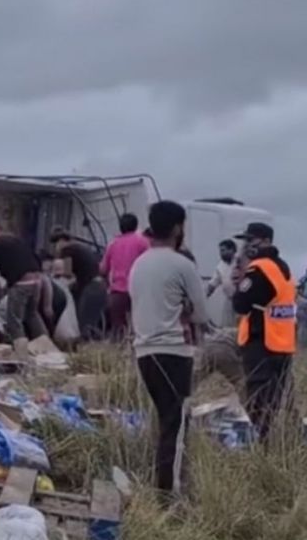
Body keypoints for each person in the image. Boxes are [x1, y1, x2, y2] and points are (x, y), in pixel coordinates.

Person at [128, 200, 209, 499]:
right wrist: (185, 308)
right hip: (174, 352)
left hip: (144, 351)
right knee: (175, 425)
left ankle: (160, 483)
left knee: (164, 421)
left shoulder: (140, 263)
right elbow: (201, 314)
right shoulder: (182, 264)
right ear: (177, 227)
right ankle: (168, 496)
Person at [232, 222, 297, 442]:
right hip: (283, 342)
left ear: (267, 241)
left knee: (259, 401)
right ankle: (289, 441)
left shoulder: (259, 269)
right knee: (281, 398)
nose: (247, 246)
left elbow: (240, 303)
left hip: (261, 342)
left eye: (252, 240)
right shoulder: (283, 268)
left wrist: (240, 278)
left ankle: (262, 444)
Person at [0, 224, 49, 354]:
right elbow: (36, 259)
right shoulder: (15, 239)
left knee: (14, 321)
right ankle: (46, 349)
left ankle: (21, 354)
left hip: (21, 284)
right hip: (37, 281)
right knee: (32, 315)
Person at [100, 214, 149, 340]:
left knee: (118, 330)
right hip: (139, 292)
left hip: (117, 292)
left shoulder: (112, 244)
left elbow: (103, 269)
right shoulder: (142, 242)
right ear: (136, 225)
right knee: (140, 329)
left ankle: (119, 354)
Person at [52, 230, 107, 341]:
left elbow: (67, 273)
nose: (55, 247)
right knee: (92, 323)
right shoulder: (80, 247)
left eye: (55, 243)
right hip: (100, 286)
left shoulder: (67, 250)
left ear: (62, 241)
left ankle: (90, 349)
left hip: (91, 289)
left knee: (85, 325)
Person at [206, 239, 238, 327]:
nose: (221, 253)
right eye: (220, 251)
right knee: (227, 326)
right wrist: (204, 297)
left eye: (223, 250)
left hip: (242, 299)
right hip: (229, 300)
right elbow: (213, 283)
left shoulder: (240, 262)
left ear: (232, 250)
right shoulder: (220, 265)